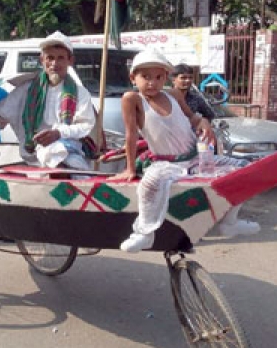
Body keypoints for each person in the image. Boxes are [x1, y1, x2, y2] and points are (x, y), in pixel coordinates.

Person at [110, 49, 258, 253]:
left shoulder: (173, 94)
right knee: (148, 186)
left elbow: (193, 118)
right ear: (133, 77)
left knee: (246, 170)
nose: (152, 82)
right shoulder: (132, 99)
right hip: (165, 164)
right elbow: (131, 136)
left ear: (166, 78)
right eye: (146, 77)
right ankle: (144, 234)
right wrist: (129, 168)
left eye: (159, 77)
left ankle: (230, 222)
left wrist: (204, 121)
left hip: (195, 158)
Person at [0, 31, 97, 170]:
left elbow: (85, 125)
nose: (54, 63)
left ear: (70, 61)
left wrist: (58, 133)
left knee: (57, 151)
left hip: (70, 156)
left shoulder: (80, 93)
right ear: (42, 60)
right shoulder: (26, 90)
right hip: (32, 156)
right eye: (50, 58)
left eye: (61, 58)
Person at [171, 63, 260, 239]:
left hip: (198, 149)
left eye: (190, 77)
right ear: (173, 80)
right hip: (173, 154)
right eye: (183, 77)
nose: (187, 81)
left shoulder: (196, 98)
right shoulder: (165, 99)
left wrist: (201, 124)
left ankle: (229, 222)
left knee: (244, 168)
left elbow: (210, 115)